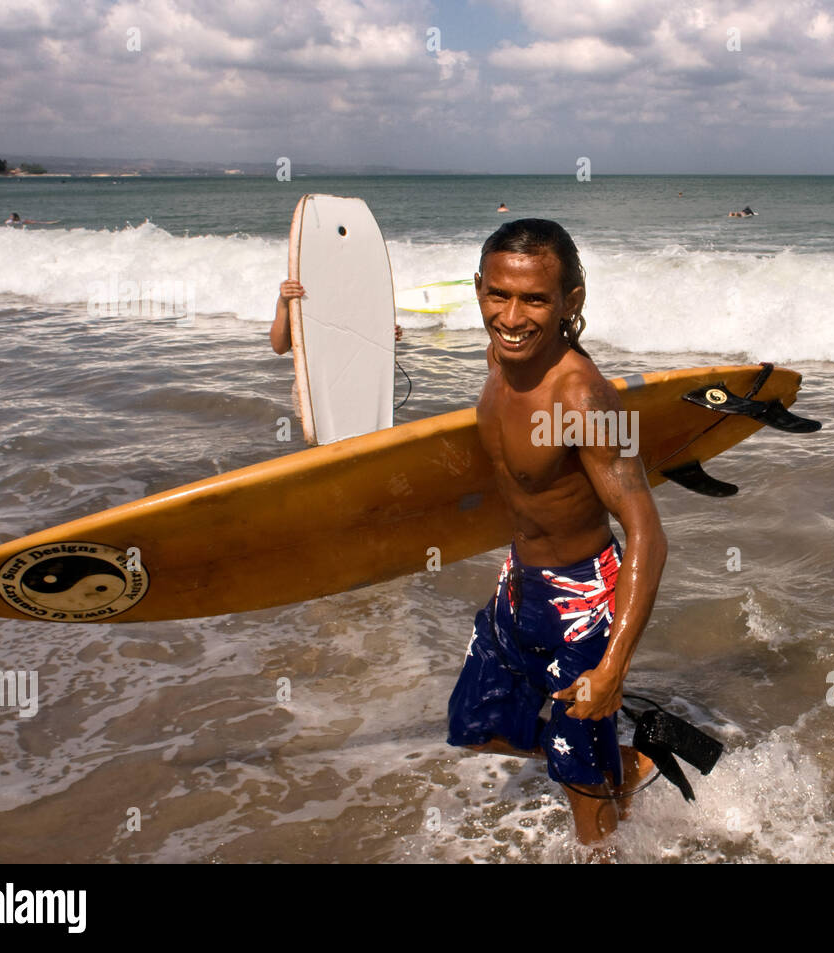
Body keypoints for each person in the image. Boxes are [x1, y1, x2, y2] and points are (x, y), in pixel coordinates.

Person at [446, 219, 665, 846]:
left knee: (580, 790)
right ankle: (622, 762)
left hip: (585, 601)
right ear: (480, 289)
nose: (511, 317)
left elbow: (646, 527)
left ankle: (597, 787)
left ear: (571, 302)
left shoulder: (584, 398)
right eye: (497, 295)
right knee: (477, 725)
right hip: (520, 584)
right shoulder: (500, 352)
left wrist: (615, 663)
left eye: (535, 300)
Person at [270, 279, 401, 354]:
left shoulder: (363, 295)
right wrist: (283, 302)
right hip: (313, 391)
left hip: (361, 386)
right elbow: (279, 347)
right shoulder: (307, 295)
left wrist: (386, 335)